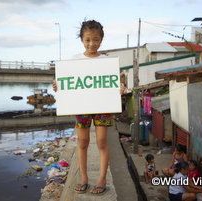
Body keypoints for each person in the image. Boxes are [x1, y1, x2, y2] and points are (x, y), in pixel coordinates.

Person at [52, 19, 126, 196]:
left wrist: (121, 88)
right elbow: (67, 82)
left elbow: (115, 84)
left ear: (101, 39)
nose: (92, 43)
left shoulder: (107, 61)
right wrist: (57, 86)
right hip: (82, 106)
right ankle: (83, 178)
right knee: (83, 142)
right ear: (82, 40)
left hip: (102, 106)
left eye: (96, 39)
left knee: (101, 142)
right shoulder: (75, 60)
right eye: (88, 40)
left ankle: (102, 179)